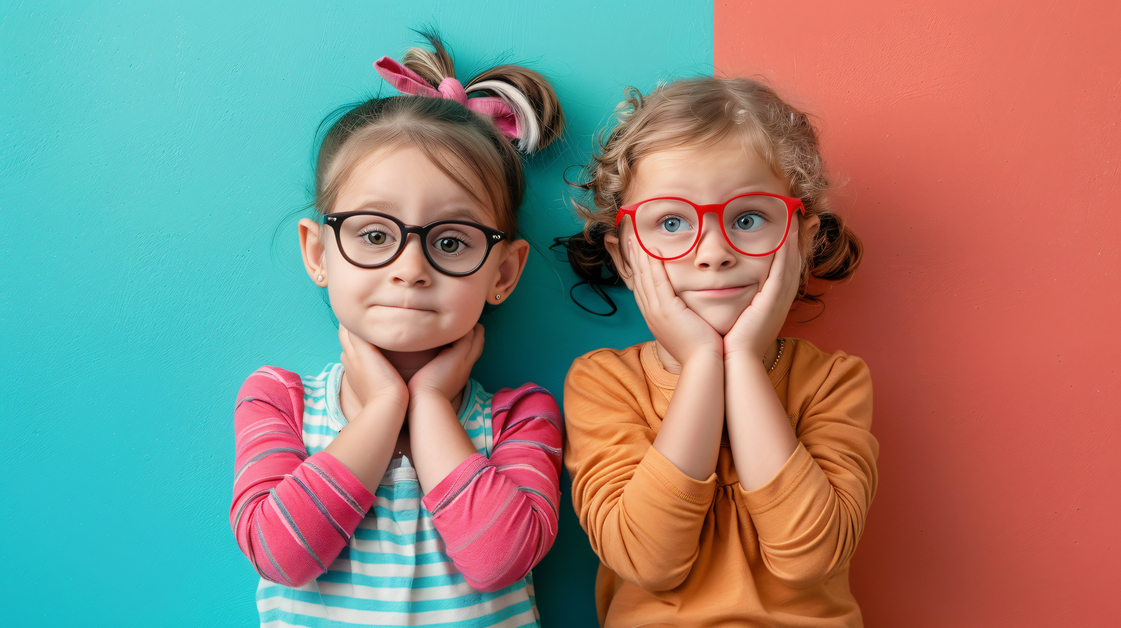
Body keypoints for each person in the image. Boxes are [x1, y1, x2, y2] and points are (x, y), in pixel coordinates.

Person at [230, 33, 565, 627]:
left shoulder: (522, 416)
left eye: (452, 242)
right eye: (375, 235)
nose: (411, 269)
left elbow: (499, 562)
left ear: (505, 272)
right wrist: (385, 405)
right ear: (317, 253)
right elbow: (281, 556)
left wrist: (431, 405)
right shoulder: (276, 400)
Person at [559, 76, 879, 627]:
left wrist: (744, 365)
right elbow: (648, 561)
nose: (713, 253)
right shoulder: (602, 383)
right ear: (626, 256)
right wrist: (705, 363)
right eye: (672, 222)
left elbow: (810, 557)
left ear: (802, 240)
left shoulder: (833, 381)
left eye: (748, 219)